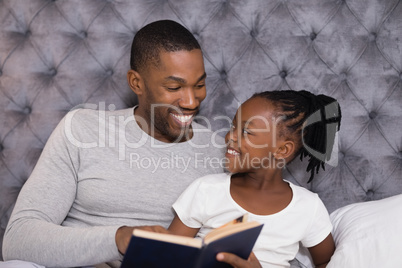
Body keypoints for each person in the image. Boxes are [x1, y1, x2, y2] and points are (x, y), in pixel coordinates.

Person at [2, 20, 228, 268]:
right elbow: (17, 240)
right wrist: (118, 239)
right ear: (136, 83)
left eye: (199, 85)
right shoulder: (82, 129)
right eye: (174, 87)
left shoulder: (222, 151)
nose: (191, 101)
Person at [168, 90, 341, 267]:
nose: (230, 137)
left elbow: (327, 262)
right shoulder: (206, 190)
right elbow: (168, 254)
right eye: (233, 126)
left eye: (246, 131)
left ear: (282, 150)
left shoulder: (308, 208)